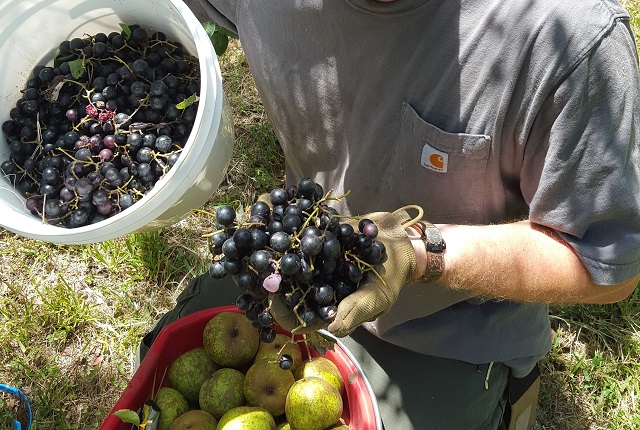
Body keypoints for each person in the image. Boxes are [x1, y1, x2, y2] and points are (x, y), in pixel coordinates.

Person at [139, 0, 640, 428]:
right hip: (297, 268)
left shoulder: (567, 40)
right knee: (158, 375)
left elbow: (604, 267)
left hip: (451, 329)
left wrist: (423, 253)